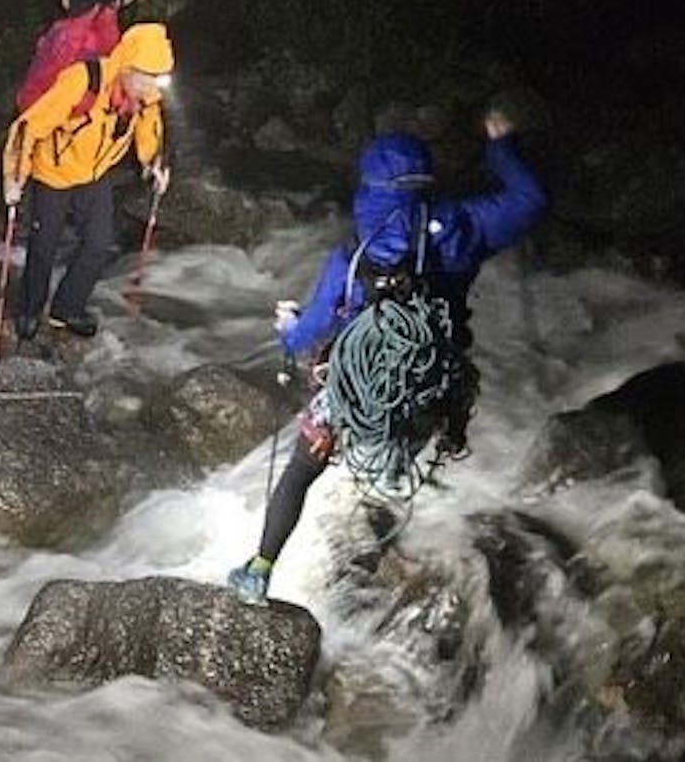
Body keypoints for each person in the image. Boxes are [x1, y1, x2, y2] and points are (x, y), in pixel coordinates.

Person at [226, 111, 547, 605]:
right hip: (428, 386)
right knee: (404, 462)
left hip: (353, 392)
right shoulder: (462, 227)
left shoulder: (353, 256)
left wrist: (289, 329)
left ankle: (259, 569)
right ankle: (394, 562)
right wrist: (501, 147)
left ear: (370, 187)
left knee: (300, 472)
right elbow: (530, 200)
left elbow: (310, 331)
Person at [1, 22, 174, 340]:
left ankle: (66, 308)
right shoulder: (83, 80)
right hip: (53, 173)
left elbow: (150, 130)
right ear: (128, 66)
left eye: (159, 79)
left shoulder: (144, 96)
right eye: (148, 78)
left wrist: (154, 164)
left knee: (98, 243)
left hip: (94, 174)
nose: (154, 90)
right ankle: (28, 310)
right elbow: (30, 126)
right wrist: (15, 177)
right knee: (44, 246)